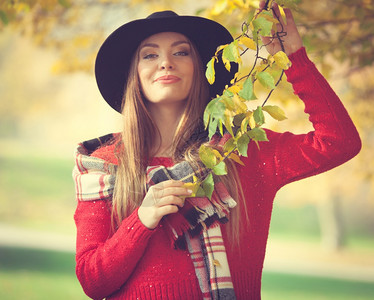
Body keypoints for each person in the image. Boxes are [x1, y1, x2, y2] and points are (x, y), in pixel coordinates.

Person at [73, 3, 361, 300]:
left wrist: (294, 58)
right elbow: (93, 282)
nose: (165, 62)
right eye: (150, 55)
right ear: (134, 74)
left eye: (181, 52)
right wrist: (142, 219)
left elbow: (339, 141)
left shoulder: (243, 153)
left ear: (201, 67)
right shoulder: (103, 166)